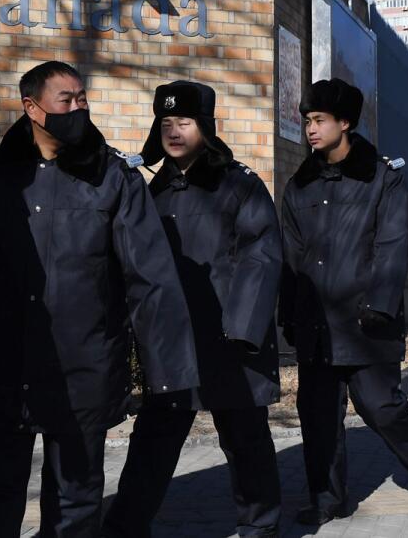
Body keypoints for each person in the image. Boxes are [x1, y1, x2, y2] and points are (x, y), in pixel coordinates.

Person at [0, 61, 198, 538]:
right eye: (65, 101)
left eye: (82, 98)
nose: (78, 108)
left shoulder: (113, 178)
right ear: (32, 108)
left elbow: (149, 277)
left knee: (75, 500)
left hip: (82, 368)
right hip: (8, 366)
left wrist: (167, 370)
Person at [103, 81, 283, 537]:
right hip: (172, 341)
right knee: (154, 440)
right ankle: (125, 526)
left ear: (205, 126)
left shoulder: (238, 185)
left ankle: (260, 525)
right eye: (165, 123)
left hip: (230, 340)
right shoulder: (146, 190)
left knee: (246, 441)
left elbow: (261, 253)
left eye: (184, 122)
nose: (174, 131)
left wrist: (242, 329)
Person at [280, 78, 408, 525]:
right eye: (307, 121)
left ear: (345, 122)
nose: (311, 130)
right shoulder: (299, 186)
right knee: (317, 417)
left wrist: (380, 304)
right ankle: (326, 498)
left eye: (319, 120)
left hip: (368, 319)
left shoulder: (383, 177)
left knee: (380, 406)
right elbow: (290, 254)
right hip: (317, 321)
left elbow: (393, 243)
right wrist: (289, 312)